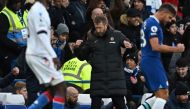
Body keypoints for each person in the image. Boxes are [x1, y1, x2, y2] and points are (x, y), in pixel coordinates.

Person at [74, 15, 132, 109]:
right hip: (98, 80)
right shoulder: (91, 38)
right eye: (96, 27)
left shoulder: (117, 35)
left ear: (106, 25)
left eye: (100, 27)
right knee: (95, 106)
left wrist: (128, 44)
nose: (98, 30)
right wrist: (77, 48)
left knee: (120, 105)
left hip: (115, 79)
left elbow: (129, 44)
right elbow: (82, 57)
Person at [138, 4, 185, 109]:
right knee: (163, 95)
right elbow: (155, 46)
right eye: (169, 17)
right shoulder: (152, 24)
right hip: (151, 61)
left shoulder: (148, 22)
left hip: (150, 60)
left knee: (160, 95)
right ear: (163, 12)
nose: (169, 21)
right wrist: (176, 49)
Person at [25, 0, 66, 109]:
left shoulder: (39, 9)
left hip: (36, 54)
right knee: (60, 88)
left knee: (53, 90)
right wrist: (53, 55)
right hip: (39, 54)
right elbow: (41, 35)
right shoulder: (39, 10)